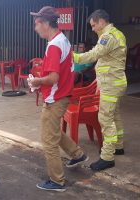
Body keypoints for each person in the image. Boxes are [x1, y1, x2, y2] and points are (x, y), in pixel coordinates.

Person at [29, 6, 88, 192]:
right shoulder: (63, 40)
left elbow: (53, 78)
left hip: (55, 98)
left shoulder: (54, 45)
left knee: (48, 141)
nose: (35, 28)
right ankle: (77, 154)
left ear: (46, 23)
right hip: (62, 95)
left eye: (37, 24)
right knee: (53, 131)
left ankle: (57, 181)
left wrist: (36, 81)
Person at [73, 9, 127, 171]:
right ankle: (118, 146)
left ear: (102, 21)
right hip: (116, 82)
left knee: (105, 119)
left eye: (94, 25)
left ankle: (107, 157)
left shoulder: (108, 36)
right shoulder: (118, 34)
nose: (93, 29)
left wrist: (74, 57)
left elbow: (95, 54)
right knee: (114, 115)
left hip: (110, 84)